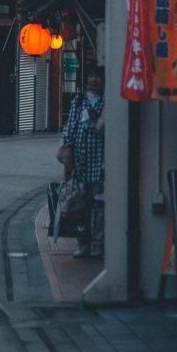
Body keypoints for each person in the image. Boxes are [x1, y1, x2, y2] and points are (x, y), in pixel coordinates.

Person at [61, 64, 105, 258]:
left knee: (99, 205)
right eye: (91, 76)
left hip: (99, 159)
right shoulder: (78, 100)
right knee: (79, 204)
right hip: (80, 159)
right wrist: (68, 151)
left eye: (98, 77)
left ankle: (98, 244)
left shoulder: (106, 102)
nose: (94, 80)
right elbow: (70, 127)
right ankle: (83, 243)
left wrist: (97, 119)